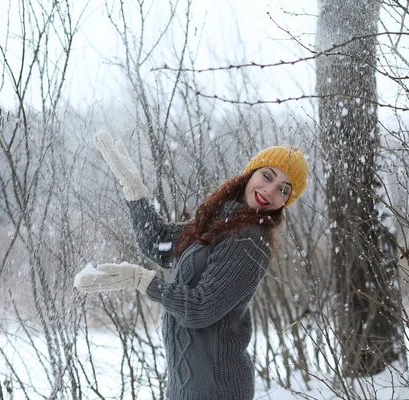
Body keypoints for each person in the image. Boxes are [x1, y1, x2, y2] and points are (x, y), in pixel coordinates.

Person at [74, 131, 308, 400]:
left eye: (283, 190)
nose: (270, 190)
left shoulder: (248, 239)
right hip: (187, 386)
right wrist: (134, 192)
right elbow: (159, 242)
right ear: (251, 173)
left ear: (284, 203)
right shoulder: (221, 221)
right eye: (267, 176)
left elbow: (201, 308)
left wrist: (143, 280)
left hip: (215, 390)